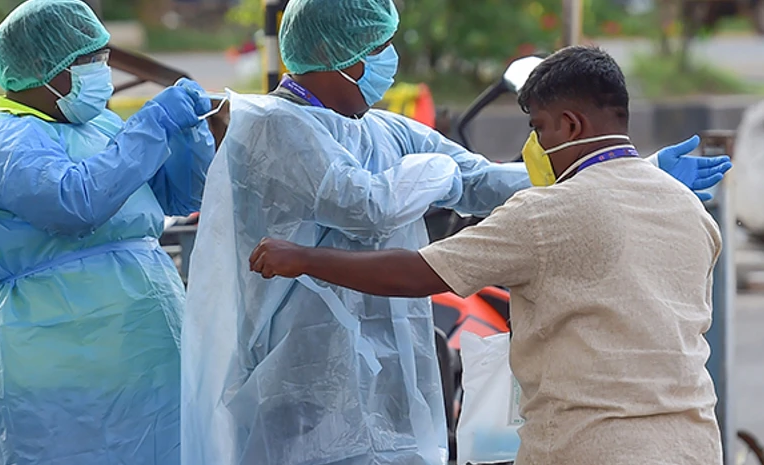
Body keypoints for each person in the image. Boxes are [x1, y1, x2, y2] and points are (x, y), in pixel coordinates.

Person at [181, 1, 729, 463]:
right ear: (330, 55)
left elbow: (482, 179)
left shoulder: (380, 130)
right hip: (299, 364)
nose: (386, 61)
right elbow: (363, 204)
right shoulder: (275, 126)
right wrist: (439, 176)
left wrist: (629, 169)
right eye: (377, 48)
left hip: (388, 367)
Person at [0, 1, 216, 464]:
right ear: (42, 68)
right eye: (88, 61)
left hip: (146, 343)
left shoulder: (101, 126)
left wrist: (189, 138)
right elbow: (76, 203)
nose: (102, 70)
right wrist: (152, 125)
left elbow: (176, 199)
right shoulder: (2, 139)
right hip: (57, 355)